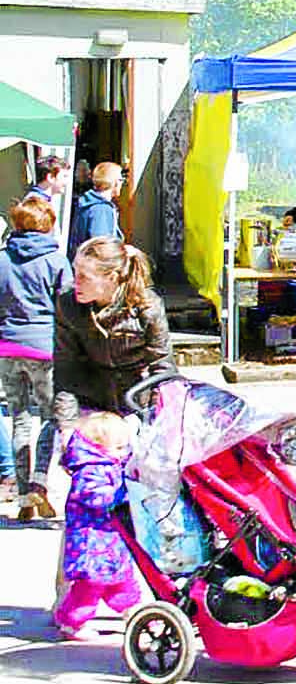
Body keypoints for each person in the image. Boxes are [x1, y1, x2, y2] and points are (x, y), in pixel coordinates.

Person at [0, 198, 72, 520]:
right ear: (48, 224)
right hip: (44, 348)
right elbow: (69, 307)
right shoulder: (56, 261)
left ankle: (24, 494)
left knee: (18, 418)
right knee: (50, 417)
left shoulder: (2, 260)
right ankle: (40, 482)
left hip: (7, 347)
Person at [55, 237, 174, 417]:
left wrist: (159, 418)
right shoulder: (68, 304)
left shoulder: (147, 307)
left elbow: (163, 369)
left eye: (84, 276)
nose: (75, 282)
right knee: (50, 439)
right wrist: (67, 423)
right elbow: (66, 369)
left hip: (136, 403)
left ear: (111, 277)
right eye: (75, 272)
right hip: (89, 404)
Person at [53, 411, 142, 639]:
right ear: (98, 446)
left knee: (123, 580)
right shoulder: (89, 469)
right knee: (89, 587)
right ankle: (72, 623)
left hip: (110, 539)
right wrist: (124, 494)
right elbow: (96, 497)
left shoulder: (111, 464)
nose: (125, 453)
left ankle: (135, 612)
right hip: (91, 541)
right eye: (120, 448)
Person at [67, 161, 124, 259]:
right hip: (96, 269)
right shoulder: (101, 208)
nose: (122, 183)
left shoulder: (87, 203)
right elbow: (102, 247)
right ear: (114, 182)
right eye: (120, 179)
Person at [25, 155, 70, 245]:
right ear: (50, 178)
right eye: (64, 176)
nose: (67, 182)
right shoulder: (34, 204)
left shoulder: (45, 201)